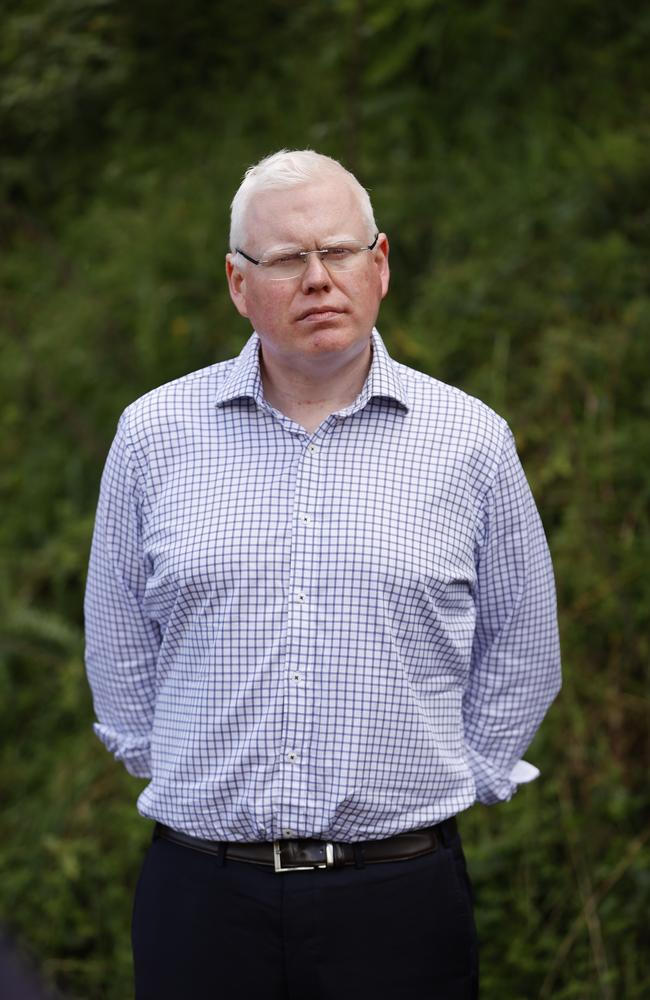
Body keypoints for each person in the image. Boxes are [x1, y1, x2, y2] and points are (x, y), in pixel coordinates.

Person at [84, 149, 562, 999]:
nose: (317, 279)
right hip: (202, 901)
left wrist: (454, 777)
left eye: (338, 252)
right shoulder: (154, 435)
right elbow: (119, 647)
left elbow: (522, 648)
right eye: (285, 259)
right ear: (238, 283)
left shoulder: (470, 442)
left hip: (400, 901)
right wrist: (198, 775)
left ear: (378, 265)